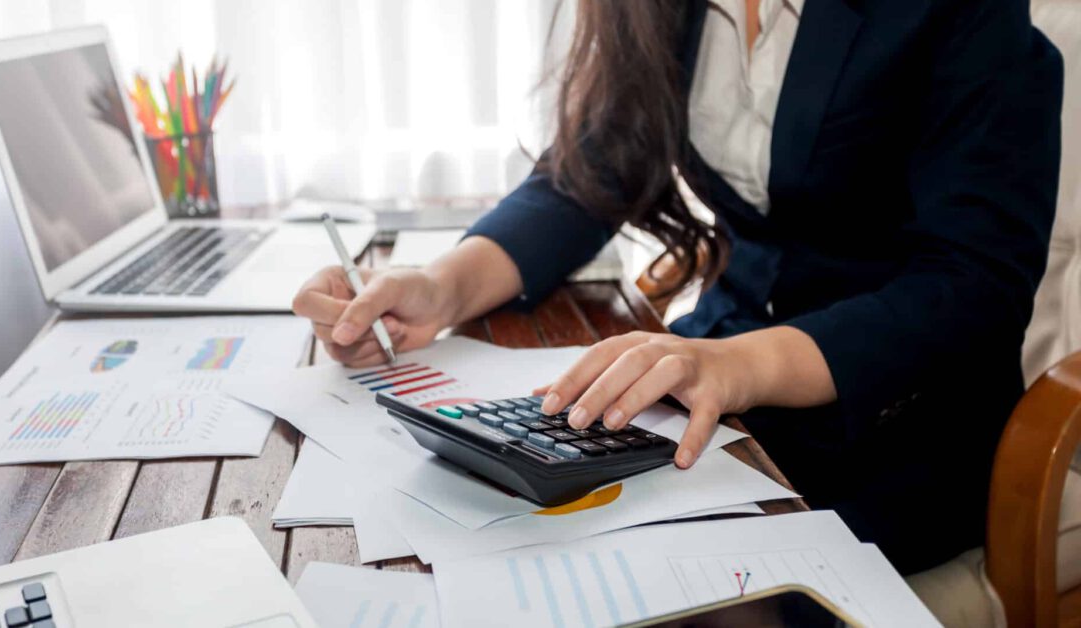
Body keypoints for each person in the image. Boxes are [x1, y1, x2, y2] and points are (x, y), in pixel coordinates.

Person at [293, 0, 1063, 575]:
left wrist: (736, 367)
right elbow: (590, 176)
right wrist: (440, 286)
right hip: (713, 386)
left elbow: (973, 286)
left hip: (898, 424)